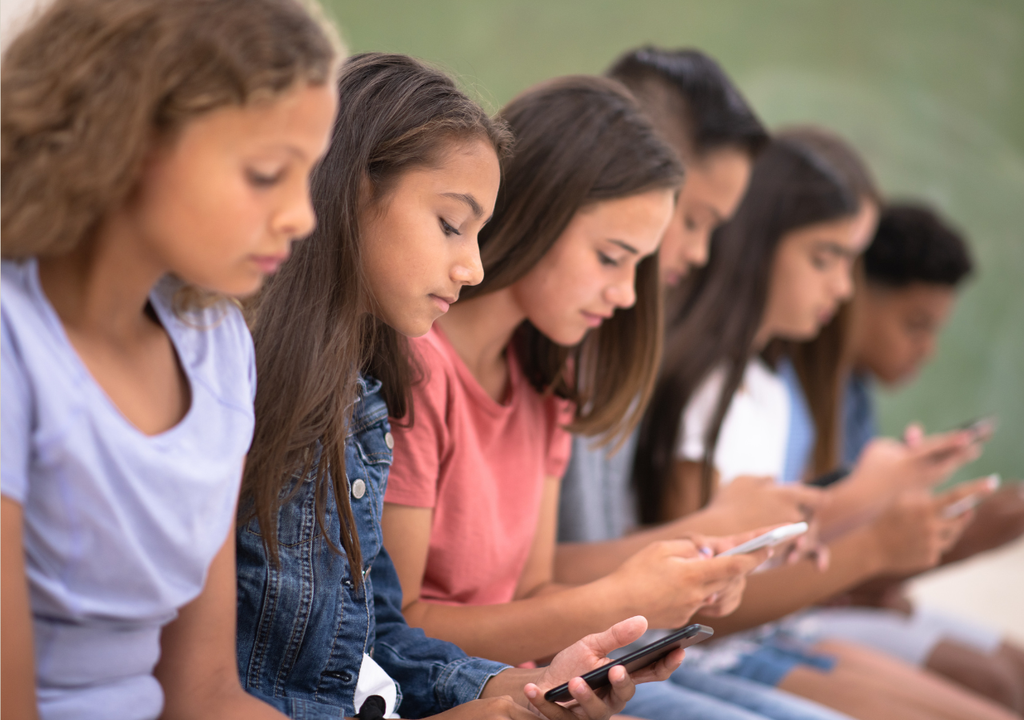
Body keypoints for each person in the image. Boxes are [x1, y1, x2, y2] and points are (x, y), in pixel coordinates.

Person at [235, 53, 680, 720]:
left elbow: (378, 638)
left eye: (478, 232)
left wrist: (524, 688)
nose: (471, 266)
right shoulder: (236, 383)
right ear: (351, 192)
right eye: (451, 224)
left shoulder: (359, 405)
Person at [0, 1, 340, 718]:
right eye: (265, 172)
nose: (301, 216)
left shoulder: (216, 345)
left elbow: (206, 693)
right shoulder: (15, 342)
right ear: (126, 137)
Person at [632, 128, 1013, 720]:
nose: (841, 288)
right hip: (707, 654)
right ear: (757, 245)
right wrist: (875, 534)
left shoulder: (769, 388)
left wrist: (886, 505)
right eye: (824, 258)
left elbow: (784, 549)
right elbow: (704, 609)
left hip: (767, 636)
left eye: (849, 262)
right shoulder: (704, 389)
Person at [553, 47, 858, 720]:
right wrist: (706, 533)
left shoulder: (614, 342)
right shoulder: (557, 342)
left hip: (617, 667)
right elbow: (526, 584)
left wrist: (710, 548)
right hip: (562, 674)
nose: (696, 252)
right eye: (691, 220)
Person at [783, 201, 1024, 712]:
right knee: (994, 686)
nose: (928, 349)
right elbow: (801, 568)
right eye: (915, 325)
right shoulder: (784, 392)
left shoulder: (855, 397)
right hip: (789, 613)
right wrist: (963, 539)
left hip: (833, 598)